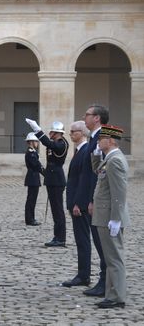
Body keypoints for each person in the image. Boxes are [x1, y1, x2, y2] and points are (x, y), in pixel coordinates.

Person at [90, 124, 130, 309]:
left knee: (114, 258)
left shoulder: (115, 160)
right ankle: (112, 294)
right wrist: (97, 154)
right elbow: (97, 171)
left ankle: (117, 297)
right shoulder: (109, 158)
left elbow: (119, 192)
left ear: (111, 140)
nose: (98, 141)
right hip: (105, 215)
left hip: (109, 216)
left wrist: (116, 218)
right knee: (110, 257)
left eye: (101, 139)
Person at [26, 119, 69, 247]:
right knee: (55, 210)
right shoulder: (55, 142)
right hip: (52, 178)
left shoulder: (61, 143)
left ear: (57, 133)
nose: (50, 134)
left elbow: (48, 144)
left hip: (56, 179)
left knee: (58, 210)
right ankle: (57, 236)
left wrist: (37, 130)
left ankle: (60, 238)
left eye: (52, 132)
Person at [82, 104, 109, 297]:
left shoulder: (105, 137)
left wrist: (92, 200)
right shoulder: (94, 138)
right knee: (99, 241)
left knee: (103, 243)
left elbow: (101, 173)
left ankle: (106, 281)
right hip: (93, 198)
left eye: (87, 115)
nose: (85, 117)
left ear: (97, 118)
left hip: (100, 200)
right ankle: (104, 280)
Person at [62, 121, 92, 287]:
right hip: (75, 201)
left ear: (81, 133)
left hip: (79, 204)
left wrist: (77, 204)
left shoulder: (85, 150)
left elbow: (83, 181)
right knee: (81, 239)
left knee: (83, 240)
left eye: (73, 131)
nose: (71, 134)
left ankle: (83, 275)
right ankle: (82, 273)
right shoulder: (79, 150)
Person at [23, 132, 43, 226]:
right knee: (31, 199)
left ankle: (31, 217)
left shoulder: (33, 152)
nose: (37, 143)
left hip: (34, 177)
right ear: (31, 142)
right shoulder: (30, 152)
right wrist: (46, 173)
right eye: (36, 141)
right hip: (32, 178)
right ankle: (29, 219)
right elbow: (36, 165)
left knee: (32, 200)